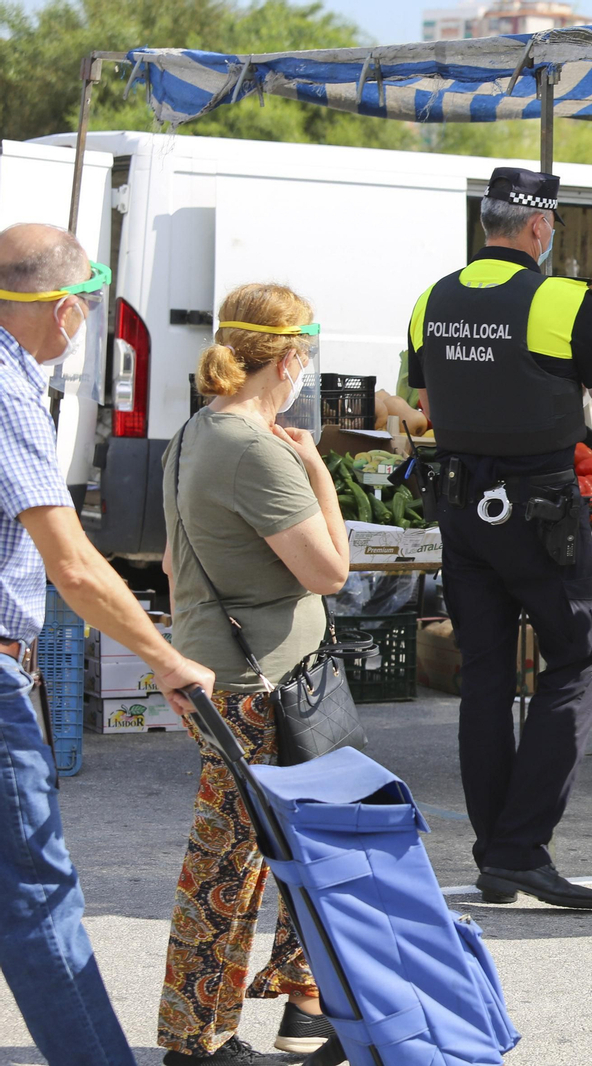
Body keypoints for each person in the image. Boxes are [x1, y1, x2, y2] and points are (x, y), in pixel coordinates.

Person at [0, 222, 213, 1065]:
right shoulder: (10, 393)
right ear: (63, 311)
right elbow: (75, 567)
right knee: (36, 899)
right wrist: (164, 658)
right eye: (87, 304)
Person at [409, 168, 592, 911]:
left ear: (487, 224)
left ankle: (495, 855)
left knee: (485, 677)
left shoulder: (431, 299)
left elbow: (427, 402)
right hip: (540, 513)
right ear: (539, 228)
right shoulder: (561, 300)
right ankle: (521, 848)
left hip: (462, 510)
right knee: (584, 653)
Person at [159, 282, 351, 1063]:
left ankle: (304, 1004)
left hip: (237, 672)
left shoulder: (198, 432)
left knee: (302, 843)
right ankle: (194, 1039)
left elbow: (175, 561)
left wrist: (181, 656)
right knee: (229, 867)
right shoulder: (258, 449)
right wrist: (320, 473)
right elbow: (332, 570)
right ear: (293, 356)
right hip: (263, 685)